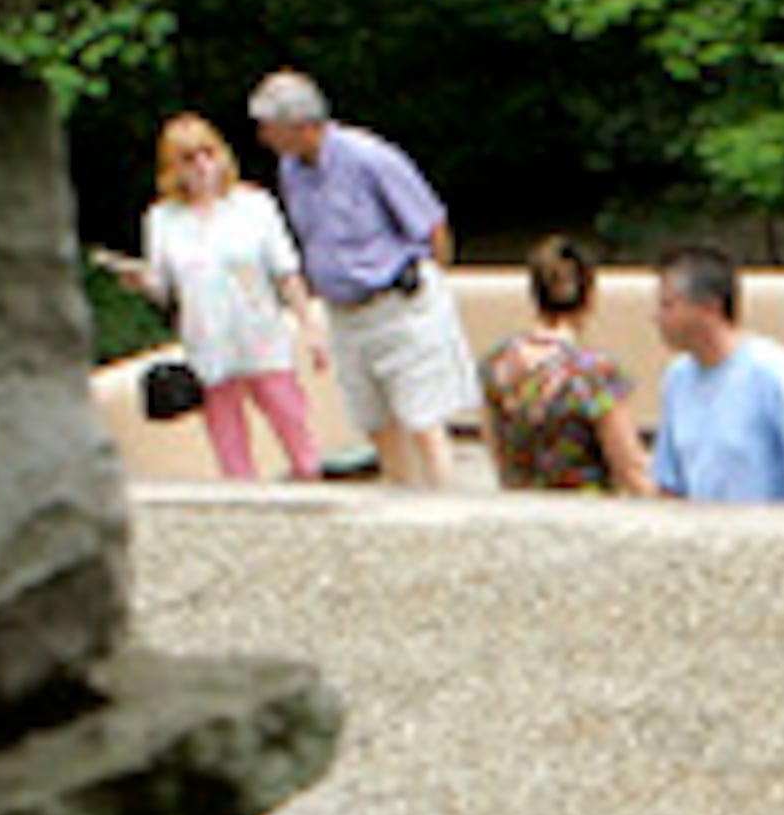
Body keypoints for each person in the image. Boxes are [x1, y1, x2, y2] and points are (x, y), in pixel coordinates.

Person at [245, 70, 471, 488]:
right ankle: (400, 504)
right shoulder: (291, 171)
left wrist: (429, 287)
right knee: (375, 421)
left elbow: (431, 225)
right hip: (345, 311)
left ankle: (447, 507)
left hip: (397, 303)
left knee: (423, 419)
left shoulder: (370, 158)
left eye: (270, 127)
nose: (264, 137)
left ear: (302, 126)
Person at [99, 113, 317, 480]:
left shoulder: (253, 205)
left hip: (260, 332)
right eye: (189, 159)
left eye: (207, 154)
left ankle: (310, 482)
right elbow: (166, 286)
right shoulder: (163, 218)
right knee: (228, 438)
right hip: (207, 340)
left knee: (289, 416)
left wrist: (308, 326)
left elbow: (286, 270)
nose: (202, 166)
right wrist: (142, 281)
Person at [647, 245, 784, 510]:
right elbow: (669, 484)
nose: (656, 318)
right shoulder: (677, 380)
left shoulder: (775, 374)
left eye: (668, 306)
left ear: (710, 308)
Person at [477, 236, 650, 496]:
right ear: (590, 298)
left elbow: (497, 454)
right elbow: (629, 468)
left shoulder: (497, 364)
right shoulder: (596, 374)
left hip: (519, 512)